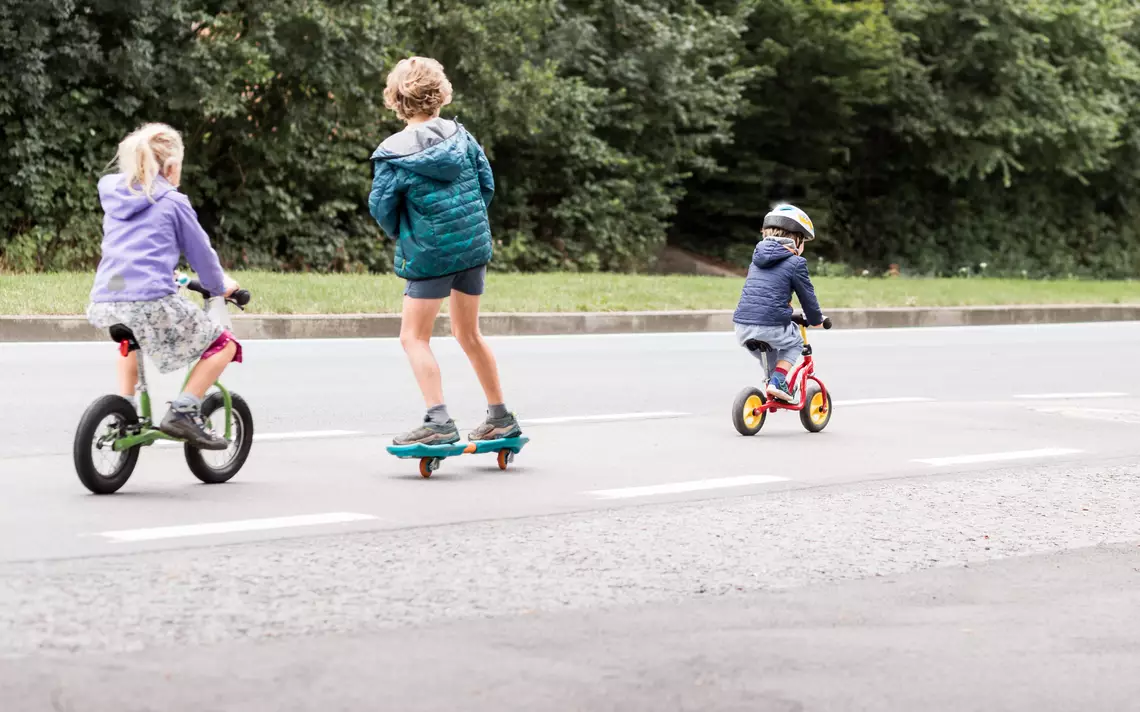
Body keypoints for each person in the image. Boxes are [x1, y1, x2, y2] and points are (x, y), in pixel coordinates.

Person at [368, 57, 521, 446]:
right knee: (468, 333)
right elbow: (486, 186)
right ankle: (500, 418)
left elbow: (382, 208)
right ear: (440, 96)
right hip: (472, 247)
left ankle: (437, 421)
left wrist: (406, 233)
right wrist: (464, 227)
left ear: (397, 99)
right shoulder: (463, 137)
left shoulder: (392, 153)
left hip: (429, 254)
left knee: (413, 338)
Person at [87, 123, 242, 450]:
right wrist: (220, 287)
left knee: (132, 338)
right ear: (171, 167)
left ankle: (125, 409)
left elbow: (137, 249)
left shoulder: (114, 193)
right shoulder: (173, 201)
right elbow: (203, 255)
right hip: (150, 299)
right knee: (224, 344)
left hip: (106, 299)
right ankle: (184, 411)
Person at [732, 204, 825, 402]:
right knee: (795, 342)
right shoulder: (796, 263)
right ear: (796, 238)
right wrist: (817, 319)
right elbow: (807, 297)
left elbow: (762, 295)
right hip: (770, 325)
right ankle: (777, 382)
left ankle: (773, 387)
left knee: (771, 356)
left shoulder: (756, 258)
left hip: (742, 327)